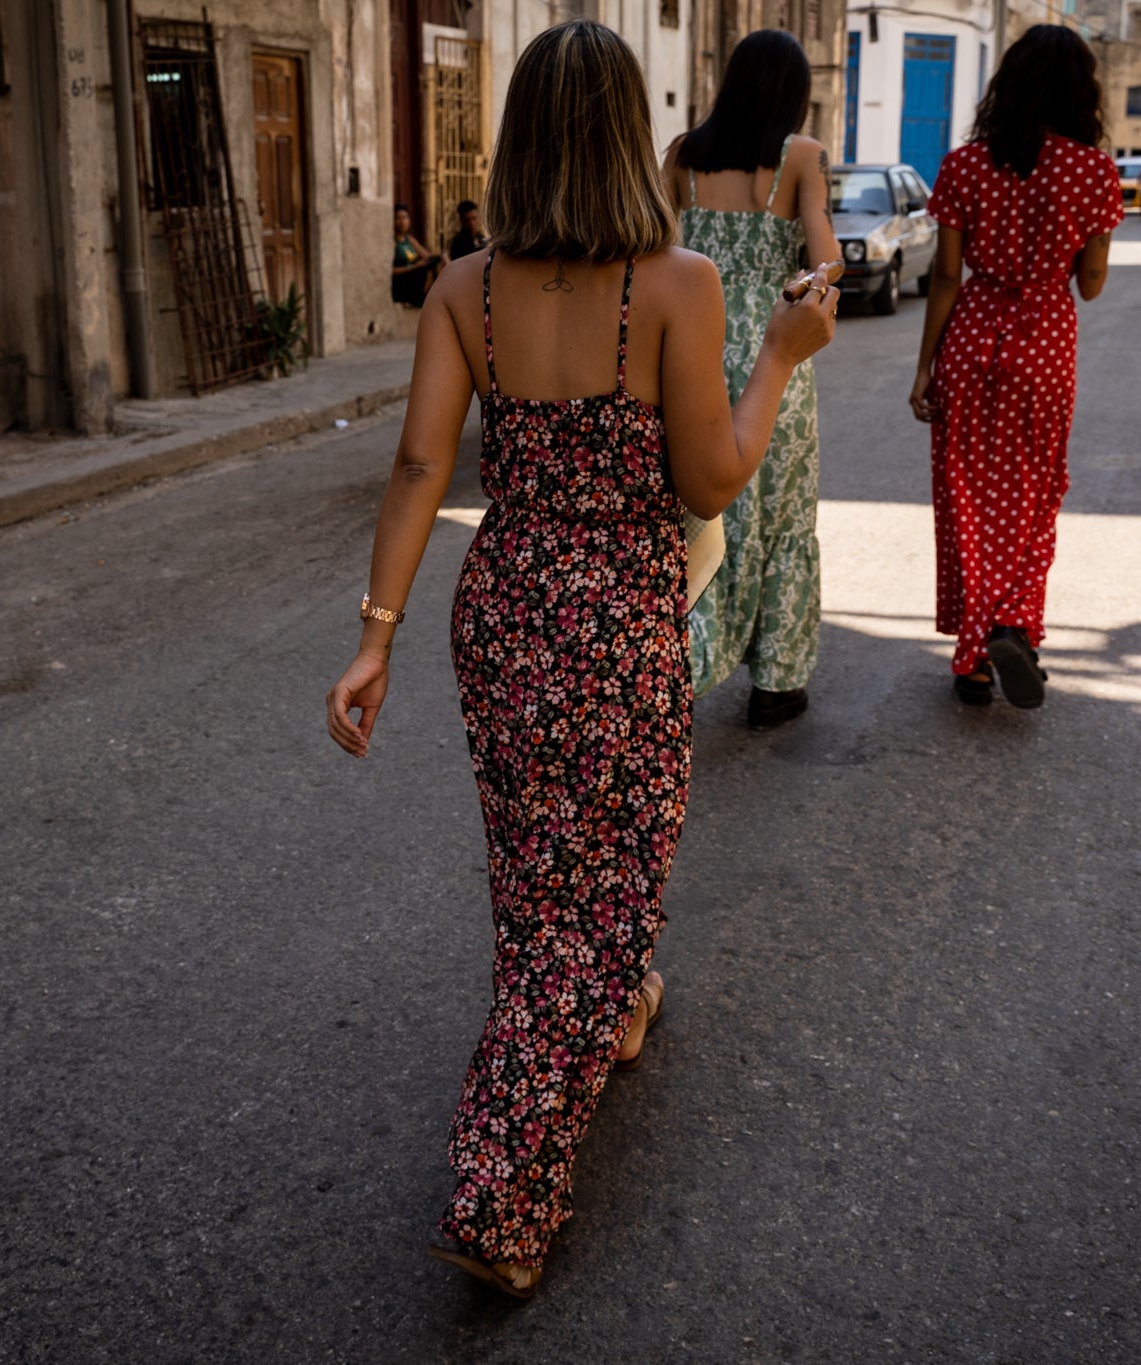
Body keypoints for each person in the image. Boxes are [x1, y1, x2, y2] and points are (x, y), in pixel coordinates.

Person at [323, 19, 836, 1298]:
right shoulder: (673, 286)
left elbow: (417, 468)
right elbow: (712, 473)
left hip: (502, 611)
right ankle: (501, 1194)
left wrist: (372, 639)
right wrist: (779, 356)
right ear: (619, 136)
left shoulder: (463, 289)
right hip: (615, 616)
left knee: (537, 869)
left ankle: (609, 1011)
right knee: (607, 888)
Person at [906, 24, 1122, 709]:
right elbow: (1090, 283)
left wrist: (924, 369)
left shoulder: (964, 165)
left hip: (971, 339)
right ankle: (1014, 625)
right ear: (1081, 93)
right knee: (1035, 492)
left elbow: (944, 277)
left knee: (966, 494)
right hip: (1045, 345)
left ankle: (971, 659)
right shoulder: (1094, 172)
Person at [662, 28, 843, 731]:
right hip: (774, 348)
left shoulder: (682, 155)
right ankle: (777, 680)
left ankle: (682, 657)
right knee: (783, 515)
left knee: (699, 511)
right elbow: (827, 265)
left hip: (690, 347)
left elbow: (644, 240)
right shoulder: (801, 157)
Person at [392, 203, 438, 307]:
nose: (402, 222)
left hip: (416, 275)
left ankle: (432, 297)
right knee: (425, 268)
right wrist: (413, 267)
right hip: (403, 279)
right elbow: (389, 271)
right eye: (398, 218)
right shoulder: (393, 242)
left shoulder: (409, 239)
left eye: (404, 218)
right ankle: (425, 298)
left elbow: (427, 256)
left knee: (434, 261)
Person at [446, 199, 488, 263]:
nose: (472, 223)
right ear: (461, 220)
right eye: (468, 220)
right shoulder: (458, 242)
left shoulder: (481, 238)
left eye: (474, 218)